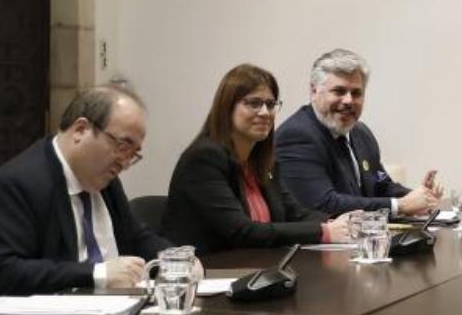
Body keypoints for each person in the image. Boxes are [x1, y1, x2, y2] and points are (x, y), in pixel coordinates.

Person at [0, 84, 188, 298]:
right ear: (80, 130)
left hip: (116, 313)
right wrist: (96, 274)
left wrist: (177, 261)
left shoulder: (104, 180)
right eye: (122, 146)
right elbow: (0, 272)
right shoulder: (20, 183)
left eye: (133, 154)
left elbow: (136, 237)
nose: (126, 163)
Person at [162, 64, 351, 254]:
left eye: (270, 104)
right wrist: (324, 231)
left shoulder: (261, 161)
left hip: (255, 268)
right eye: (254, 103)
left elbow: (294, 213)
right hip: (208, 272)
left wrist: (339, 223)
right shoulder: (204, 158)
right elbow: (242, 231)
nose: (265, 112)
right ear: (227, 107)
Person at [276, 49, 441, 217]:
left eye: (356, 93)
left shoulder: (361, 133)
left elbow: (381, 184)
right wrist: (400, 205)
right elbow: (324, 203)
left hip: (365, 238)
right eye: (339, 91)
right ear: (314, 92)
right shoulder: (296, 136)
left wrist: (420, 197)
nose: (348, 101)